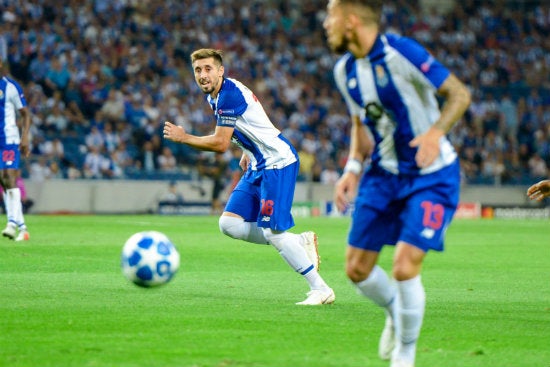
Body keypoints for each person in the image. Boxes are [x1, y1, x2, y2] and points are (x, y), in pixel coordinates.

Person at [323, 1, 471, 366]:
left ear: (351, 21)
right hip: (383, 176)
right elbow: (361, 125)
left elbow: (459, 94)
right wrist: (352, 167)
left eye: (331, 16)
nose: (326, 24)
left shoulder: (401, 52)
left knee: (404, 267)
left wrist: (436, 133)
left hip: (431, 176)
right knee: (356, 270)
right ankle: (393, 309)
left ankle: (405, 353)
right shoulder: (345, 71)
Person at [163, 48, 334, 305]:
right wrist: (247, 149)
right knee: (229, 224)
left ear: (221, 71)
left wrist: (184, 137)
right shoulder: (218, 95)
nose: (202, 75)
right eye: (198, 70)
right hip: (257, 163)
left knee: (273, 233)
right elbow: (254, 119)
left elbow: (220, 144)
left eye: (208, 69)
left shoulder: (228, 95)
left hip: (277, 163)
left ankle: (321, 289)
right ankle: (298, 242)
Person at [0, 58, 32, 241]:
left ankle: (11, 223)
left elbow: (25, 113)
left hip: (9, 139)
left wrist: (24, 136)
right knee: (3, 182)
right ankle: (23, 227)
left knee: (9, 176)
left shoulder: (10, 87)